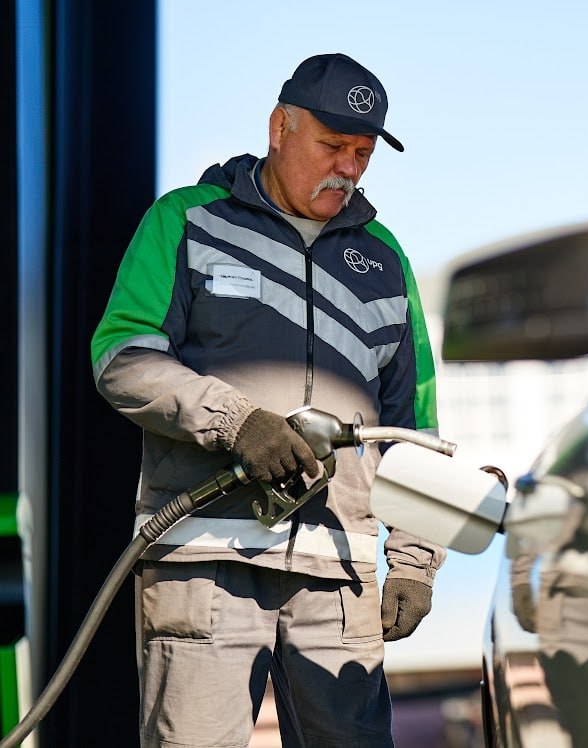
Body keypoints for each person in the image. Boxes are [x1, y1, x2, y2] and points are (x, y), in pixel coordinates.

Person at [90, 52, 445, 748]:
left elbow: (413, 430)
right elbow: (123, 357)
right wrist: (238, 422)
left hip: (337, 577)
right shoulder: (188, 222)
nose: (348, 167)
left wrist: (413, 561)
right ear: (280, 127)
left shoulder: (385, 260)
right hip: (203, 563)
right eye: (332, 146)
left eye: (363, 153)